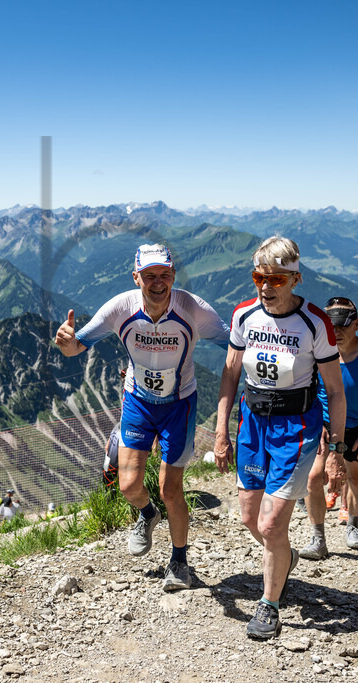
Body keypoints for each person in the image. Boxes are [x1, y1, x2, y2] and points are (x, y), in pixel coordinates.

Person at [55, 243, 230, 592]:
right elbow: (77, 346)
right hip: (138, 401)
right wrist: (65, 341)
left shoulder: (193, 309)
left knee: (170, 488)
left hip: (179, 404)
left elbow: (234, 344)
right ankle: (148, 514)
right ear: (136, 277)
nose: (158, 282)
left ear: (173, 276)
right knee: (129, 486)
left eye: (164, 274)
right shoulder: (120, 308)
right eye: (149, 275)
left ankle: (179, 560)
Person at [213, 236, 347, 640]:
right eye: (259, 277)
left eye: (277, 279)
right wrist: (221, 431)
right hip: (252, 422)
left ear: (295, 279)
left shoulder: (315, 322)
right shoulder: (244, 315)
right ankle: (283, 558)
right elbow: (231, 375)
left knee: (271, 524)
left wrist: (337, 449)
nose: (266, 286)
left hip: (297, 425)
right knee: (250, 517)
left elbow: (336, 391)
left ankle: (269, 605)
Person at [300, 297, 358, 558]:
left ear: (357, 325)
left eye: (342, 326)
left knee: (356, 477)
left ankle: (353, 525)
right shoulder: (319, 352)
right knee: (313, 477)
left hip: (357, 427)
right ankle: (318, 537)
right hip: (324, 425)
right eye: (331, 327)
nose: (336, 333)